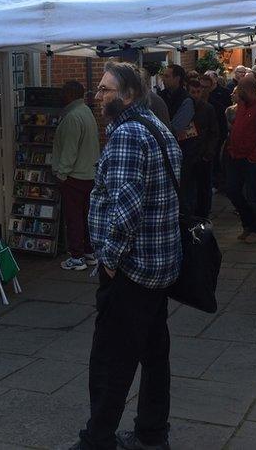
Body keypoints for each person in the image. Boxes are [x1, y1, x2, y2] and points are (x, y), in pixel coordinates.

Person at [74, 61, 181, 450]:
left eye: (106, 90)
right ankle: (152, 433)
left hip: (132, 270)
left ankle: (97, 439)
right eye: (99, 89)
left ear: (130, 95)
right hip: (159, 266)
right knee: (154, 355)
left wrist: (109, 261)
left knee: (110, 362)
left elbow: (125, 209)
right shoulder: (157, 128)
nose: (98, 96)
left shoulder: (127, 136)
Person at [52, 80, 101, 271]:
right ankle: (89, 252)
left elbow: (69, 151)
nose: (60, 96)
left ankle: (77, 257)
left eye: (63, 92)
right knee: (86, 216)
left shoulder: (72, 117)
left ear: (70, 94)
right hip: (89, 173)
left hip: (74, 176)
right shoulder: (86, 112)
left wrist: (62, 174)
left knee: (74, 218)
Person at [226, 77, 256, 241]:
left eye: (239, 89)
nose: (236, 92)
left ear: (248, 90)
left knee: (253, 195)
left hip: (252, 159)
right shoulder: (242, 104)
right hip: (236, 155)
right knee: (232, 190)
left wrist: (255, 156)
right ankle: (248, 223)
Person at [159, 64, 199, 216]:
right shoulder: (161, 96)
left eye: (167, 76)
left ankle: (188, 221)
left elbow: (176, 127)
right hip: (166, 150)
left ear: (177, 79)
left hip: (183, 151)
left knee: (184, 190)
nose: (163, 79)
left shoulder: (186, 100)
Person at [186, 74, 221, 217]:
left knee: (204, 187)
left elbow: (214, 132)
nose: (196, 95)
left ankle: (204, 214)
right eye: (193, 92)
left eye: (198, 92)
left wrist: (209, 152)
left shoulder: (208, 108)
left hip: (203, 154)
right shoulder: (185, 107)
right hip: (188, 154)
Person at [205, 71, 232, 189]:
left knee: (217, 156)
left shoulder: (224, 92)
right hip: (207, 130)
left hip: (220, 128)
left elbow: (227, 109)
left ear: (215, 80)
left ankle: (219, 180)